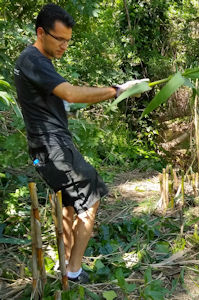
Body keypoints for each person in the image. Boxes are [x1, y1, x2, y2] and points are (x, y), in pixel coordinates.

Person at [14, 4, 147, 283]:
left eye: (68, 41)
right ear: (41, 32)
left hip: (44, 150)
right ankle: (73, 272)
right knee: (92, 197)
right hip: (53, 148)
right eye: (59, 39)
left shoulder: (36, 62)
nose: (64, 46)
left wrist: (68, 105)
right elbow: (71, 94)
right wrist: (117, 91)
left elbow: (57, 101)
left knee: (71, 202)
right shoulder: (33, 60)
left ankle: (66, 262)